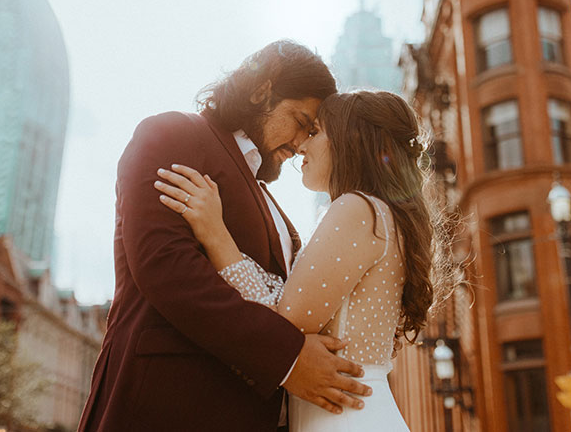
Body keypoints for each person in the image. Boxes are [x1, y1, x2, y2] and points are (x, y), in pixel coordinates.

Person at [77, 41, 372, 432]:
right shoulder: (174, 133)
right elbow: (165, 266)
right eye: (301, 120)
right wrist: (288, 359)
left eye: (312, 132)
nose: (301, 142)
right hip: (164, 408)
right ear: (261, 90)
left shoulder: (271, 202)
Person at [156, 90, 442, 432]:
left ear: (350, 140)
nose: (302, 146)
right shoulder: (382, 215)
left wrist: (216, 236)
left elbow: (282, 324)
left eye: (316, 131)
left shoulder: (357, 208)